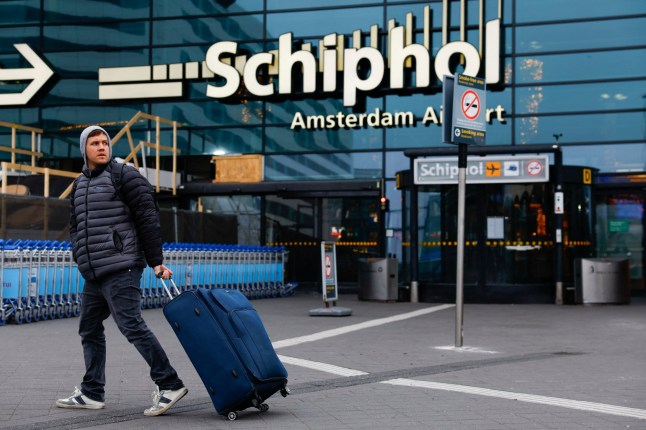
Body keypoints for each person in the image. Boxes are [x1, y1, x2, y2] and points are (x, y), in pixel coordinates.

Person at [56, 125, 187, 416]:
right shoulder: (79, 185)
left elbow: (148, 217)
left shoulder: (124, 175)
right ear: (84, 149)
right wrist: (80, 254)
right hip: (94, 272)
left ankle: (170, 384)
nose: (102, 147)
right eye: (95, 143)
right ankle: (92, 392)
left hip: (122, 267)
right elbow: (76, 226)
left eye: (105, 142)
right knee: (89, 328)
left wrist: (155, 260)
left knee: (131, 326)